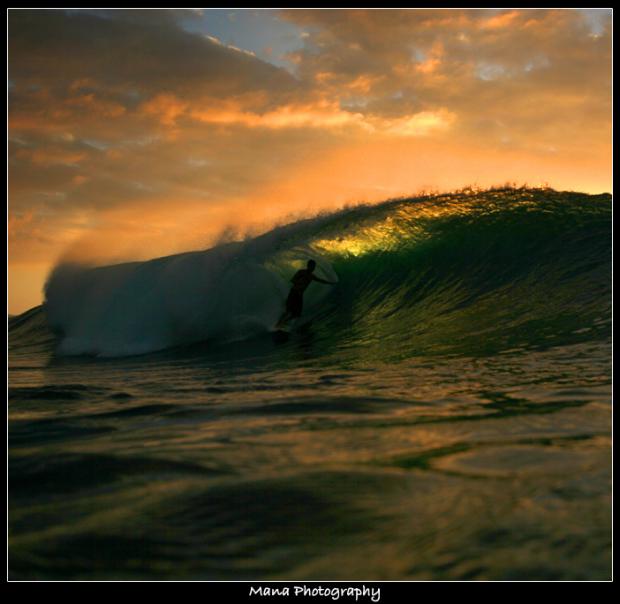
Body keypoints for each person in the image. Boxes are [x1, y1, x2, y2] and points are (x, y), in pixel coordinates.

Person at [276, 259, 335, 328]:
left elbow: (320, 280)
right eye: (312, 266)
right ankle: (278, 324)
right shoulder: (301, 272)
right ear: (308, 266)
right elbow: (292, 280)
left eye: (314, 267)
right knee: (288, 311)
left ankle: (284, 324)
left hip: (299, 296)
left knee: (296, 315)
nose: (313, 268)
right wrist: (299, 283)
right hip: (294, 293)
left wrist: (330, 283)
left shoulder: (311, 276)